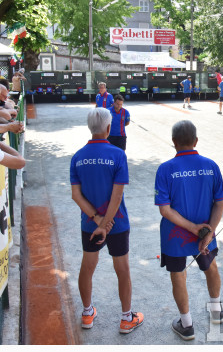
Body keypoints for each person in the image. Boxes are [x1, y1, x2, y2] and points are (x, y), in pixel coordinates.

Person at [69, 107, 144, 333]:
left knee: (87, 267)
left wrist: (97, 220)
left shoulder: (78, 157)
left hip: (89, 224)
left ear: (90, 128)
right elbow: (117, 194)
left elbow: (76, 195)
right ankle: (125, 318)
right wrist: (106, 224)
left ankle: (87, 313)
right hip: (117, 223)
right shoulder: (118, 155)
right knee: (122, 269)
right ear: (109, 128)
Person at [154, 120, 223, 340]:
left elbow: (165, 210)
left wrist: (191, 228)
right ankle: (216, 311)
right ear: (195, 141)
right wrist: (208, 231)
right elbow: (220, 203)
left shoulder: (165, 169)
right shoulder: (211, 165)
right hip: (205, 232)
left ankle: (187, 325)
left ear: (173, 142)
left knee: (178, 275)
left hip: (175, 235)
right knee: (210, 266)